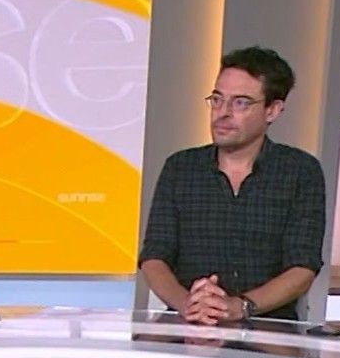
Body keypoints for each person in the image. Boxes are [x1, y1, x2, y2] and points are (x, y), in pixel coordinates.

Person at [138, 45, 326, 325]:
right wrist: (188, 304)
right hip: (187, 326)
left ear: (272, 110)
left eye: (240, 103)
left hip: (270, 329)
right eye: (217, 99)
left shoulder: (300, 171)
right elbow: (154, 257)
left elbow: (302, 268)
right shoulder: (180, 168)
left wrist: (240, 306)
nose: (222, 113)